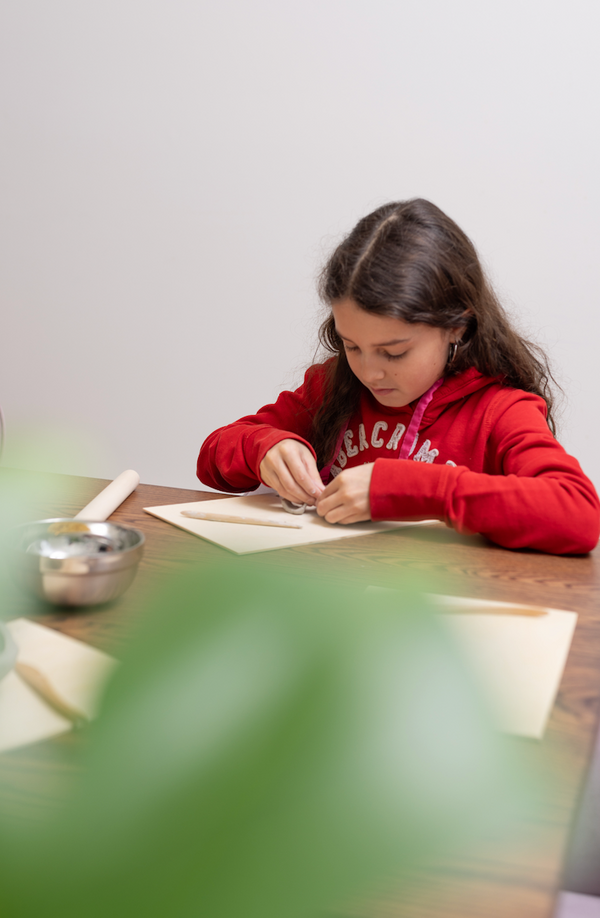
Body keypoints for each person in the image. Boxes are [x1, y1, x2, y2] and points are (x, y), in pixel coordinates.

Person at [197, 199, 599, 554]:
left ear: (458, 326)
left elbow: (579, 514)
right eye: (351, 345)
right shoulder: (333, 385)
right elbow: (212, 458)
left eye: (394, 352)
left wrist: (420, 490)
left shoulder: (499, 410)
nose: (369, 371)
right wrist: (264, 449)